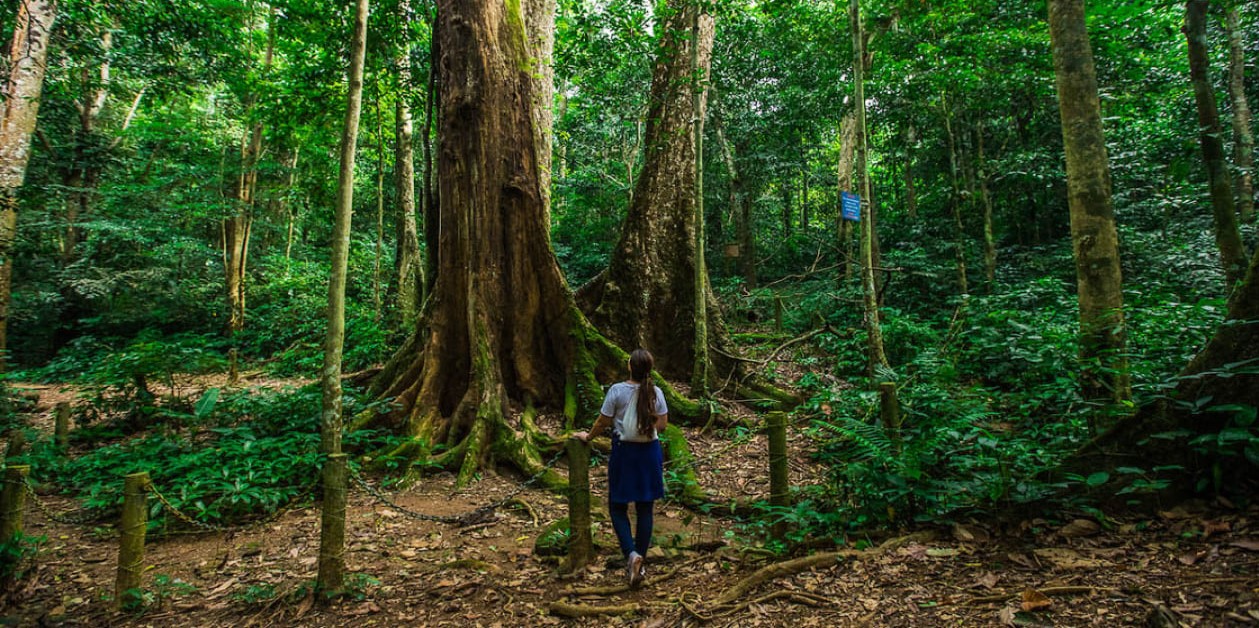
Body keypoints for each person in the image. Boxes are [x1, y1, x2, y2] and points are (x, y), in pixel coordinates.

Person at [573, 348, 667, 587]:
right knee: (645, 507)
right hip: (649, 453)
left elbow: (603, 421)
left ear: (629, 367)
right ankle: (640, 562)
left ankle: (631, 554)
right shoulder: (656, 392)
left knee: (617, 506)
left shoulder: (617, 391)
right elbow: (663, 424)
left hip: (625, 453)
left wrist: (589, 436)